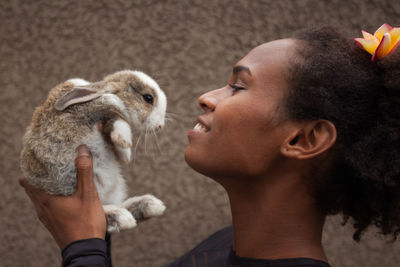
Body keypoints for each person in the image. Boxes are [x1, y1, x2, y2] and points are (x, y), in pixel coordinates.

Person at [19, 25, 400, 267]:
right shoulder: (218, 250)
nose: (206, 97)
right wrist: (95, 230)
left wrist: (83, 250)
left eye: (237, 86)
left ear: (303, 139)